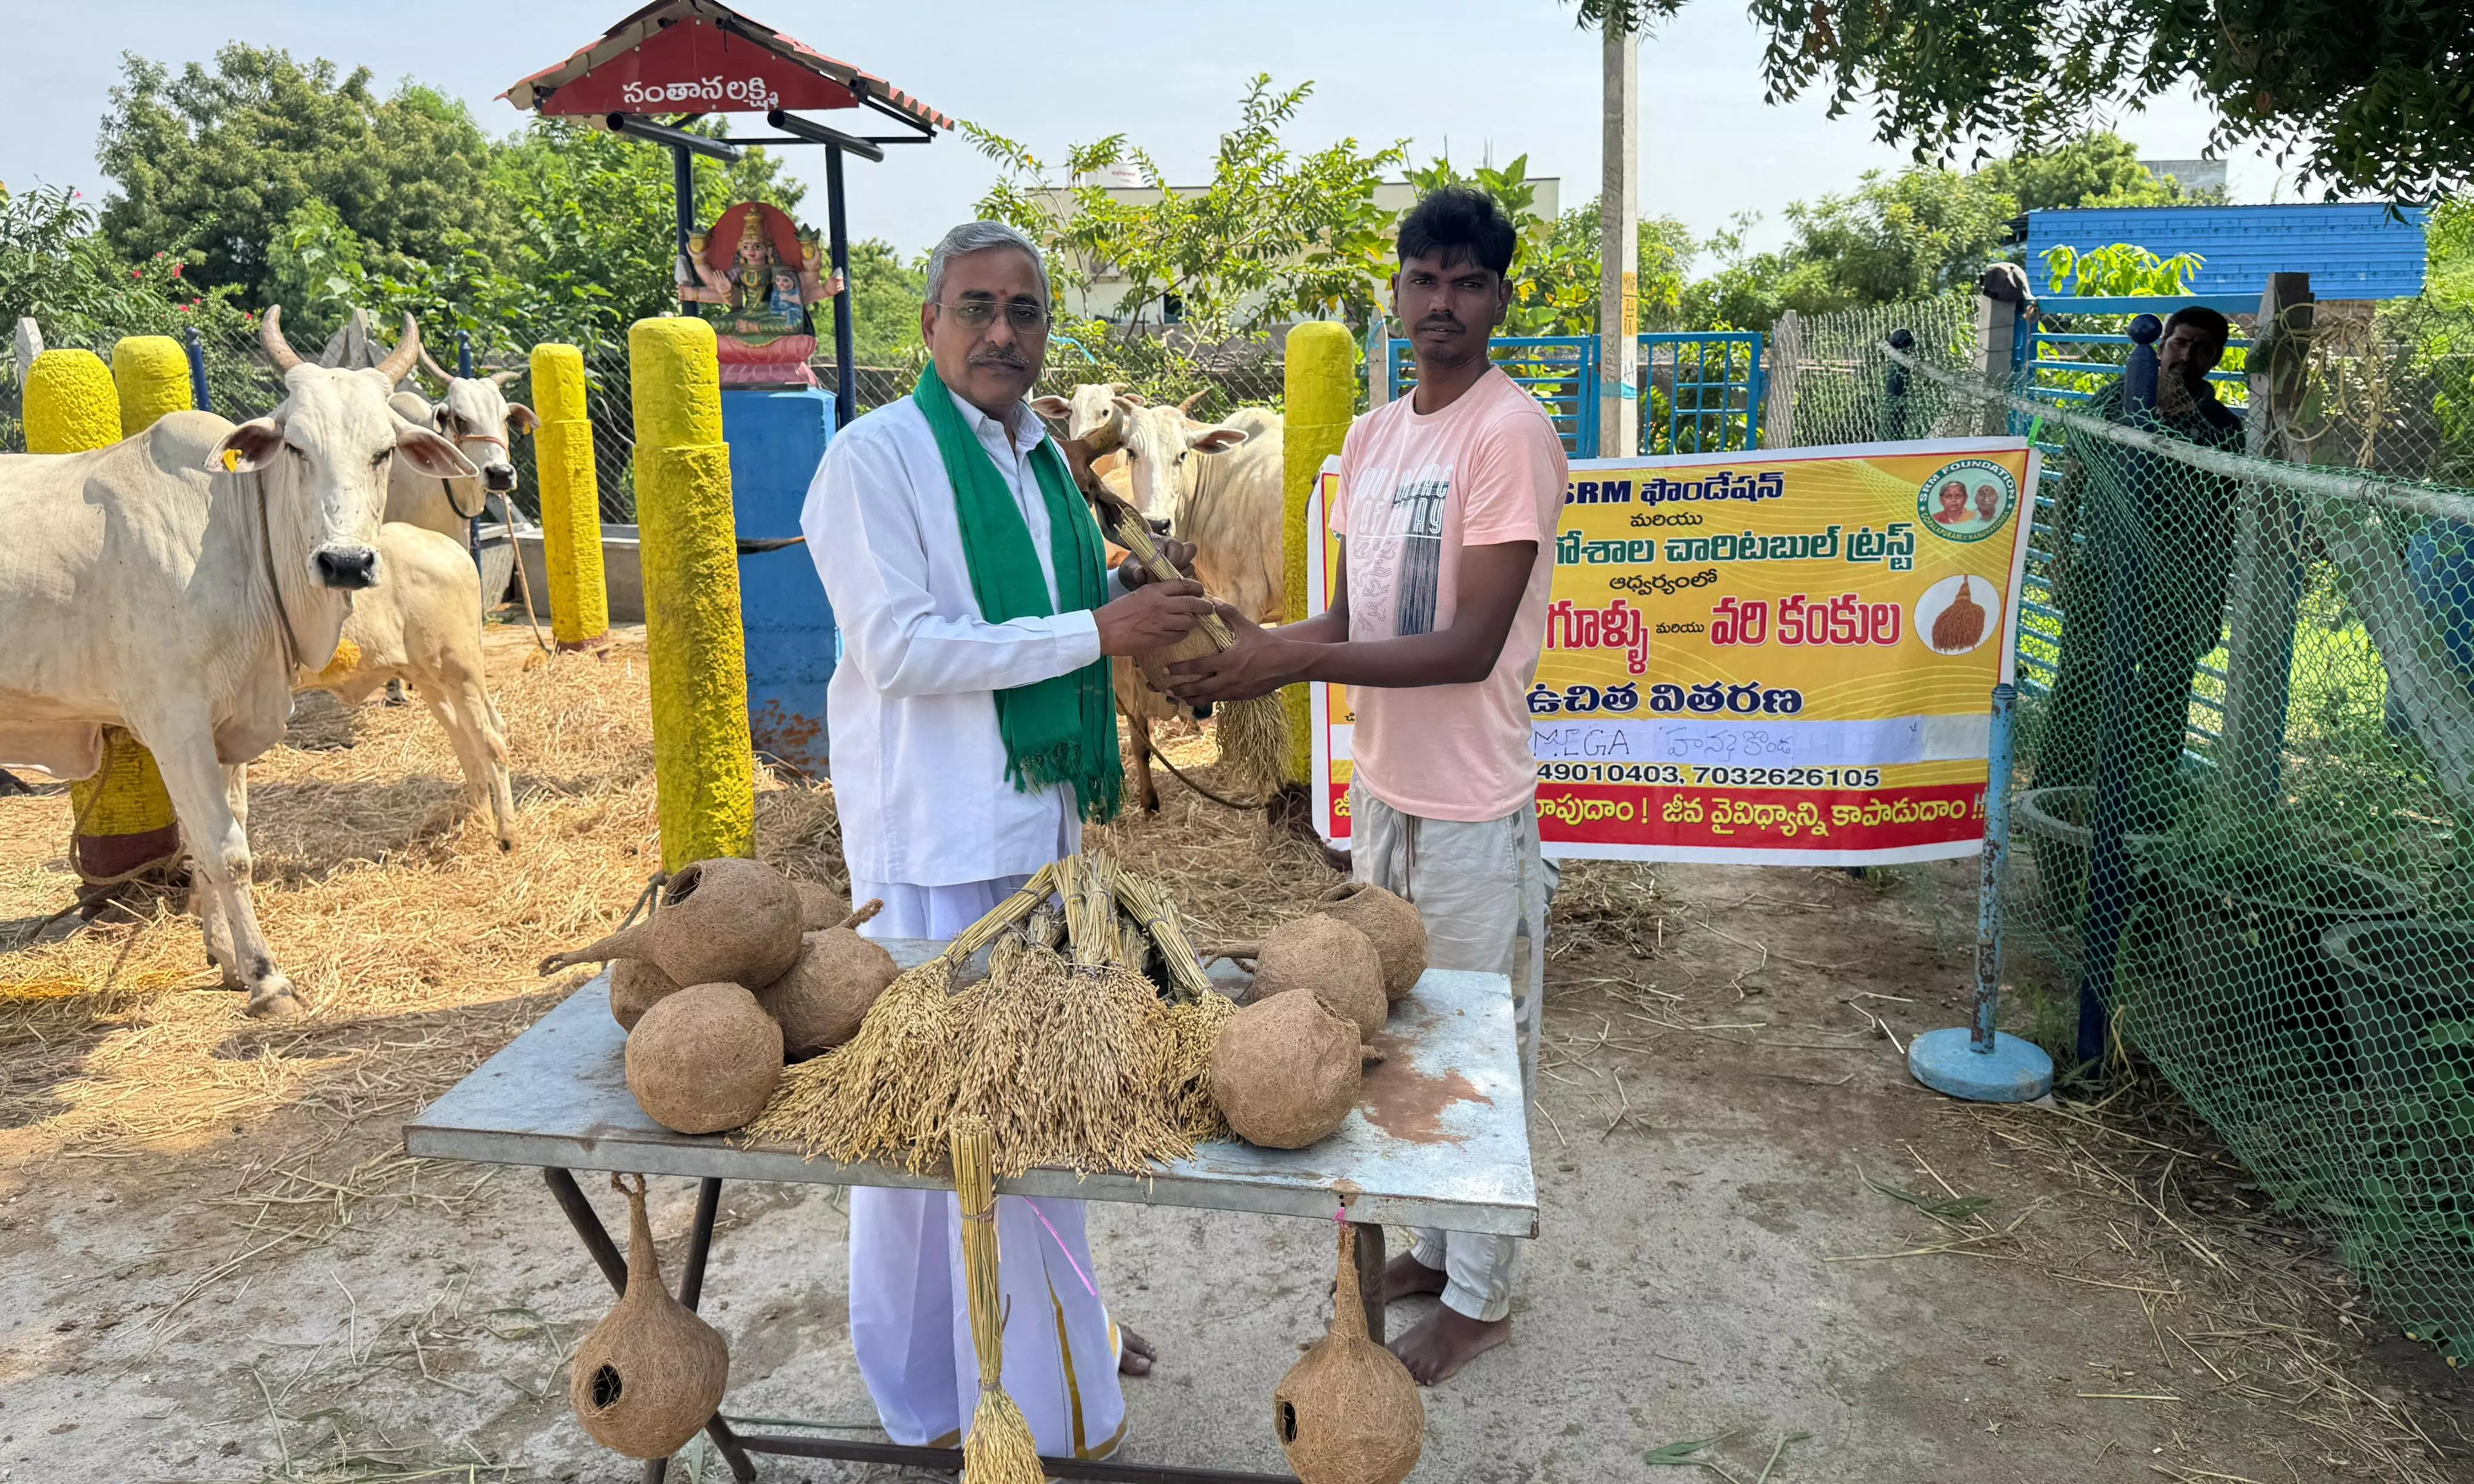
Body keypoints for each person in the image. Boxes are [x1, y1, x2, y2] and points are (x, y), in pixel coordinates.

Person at [800, 220, 1211, 1460]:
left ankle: (1054, 1353)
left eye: (1023, 313)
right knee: (923, 1132)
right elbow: (901, 649)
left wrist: (1140, 608)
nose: (1000, 333)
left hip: (1039, 834)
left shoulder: (1045, 468)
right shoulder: (875, 461)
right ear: (928, 325)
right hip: (932, 844)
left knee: (1041, 1108)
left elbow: (1060, 617)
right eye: (975, 307)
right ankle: (933, 1399)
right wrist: (1102, 632)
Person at [1167, 185, 1565, 1385]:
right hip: (1387, 792)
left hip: (1473, 804)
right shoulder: (1379, 440)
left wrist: (1293, 655)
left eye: (1468, 283)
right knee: (1400, 1040)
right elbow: (1360, 617)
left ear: (1498, 298)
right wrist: (1253, 657)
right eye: (1423, 279)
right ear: (1392, 289)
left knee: (1480, 1055)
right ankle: (1441, 1254)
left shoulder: (1510, 433)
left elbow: (1467, 646)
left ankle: (1485, 1295)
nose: (1442, 304)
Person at [2036, 306, 2244, 826]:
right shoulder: (2115, 401)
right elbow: (2073, 481)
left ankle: (2147, 809)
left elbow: (2223, 527)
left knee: (2165, 692)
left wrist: (2211, 603)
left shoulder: (2222, 430)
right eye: (2179, 342)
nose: (2186, 354)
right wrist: (2061, 563)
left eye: (2201, 347)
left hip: (2179, 589)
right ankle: (2057, 797)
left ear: (2216, 356)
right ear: (2161, 342)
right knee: (2082, 682)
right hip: (2102, 573)